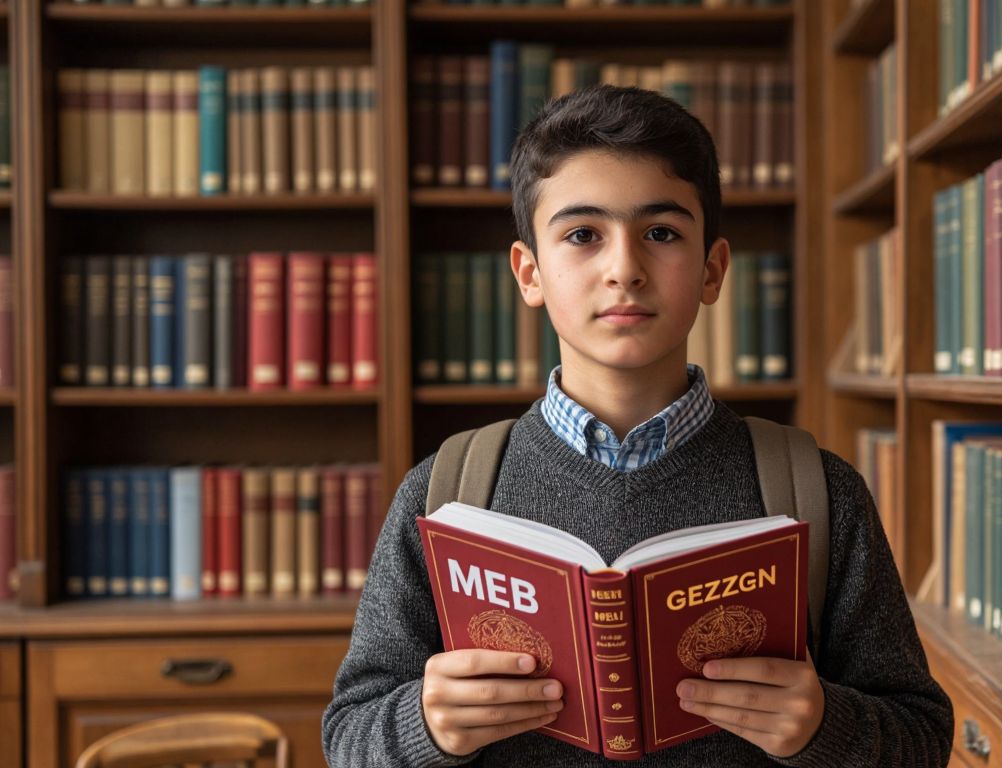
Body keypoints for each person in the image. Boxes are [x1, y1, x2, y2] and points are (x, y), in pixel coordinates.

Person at [322, 85, 953, 767]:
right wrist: (424, 724)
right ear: (529, 272)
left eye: (661, 233)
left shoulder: (819, 492)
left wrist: (824, 725)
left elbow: (920, 739)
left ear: (712, 270)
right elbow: (348, 739)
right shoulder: (446, 493)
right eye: (582, 235)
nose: (625, 269)